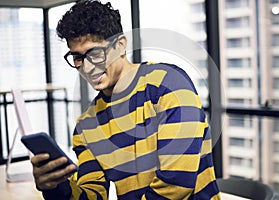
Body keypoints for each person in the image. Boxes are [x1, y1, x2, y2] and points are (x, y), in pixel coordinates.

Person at [30, 0, 221, 199]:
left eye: (95, 53)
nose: (87, 67)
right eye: (77, 57)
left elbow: (176, 183)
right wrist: (56, 187)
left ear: (120, 45)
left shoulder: (169, 84)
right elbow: (92, 195)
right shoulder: (86, 126)